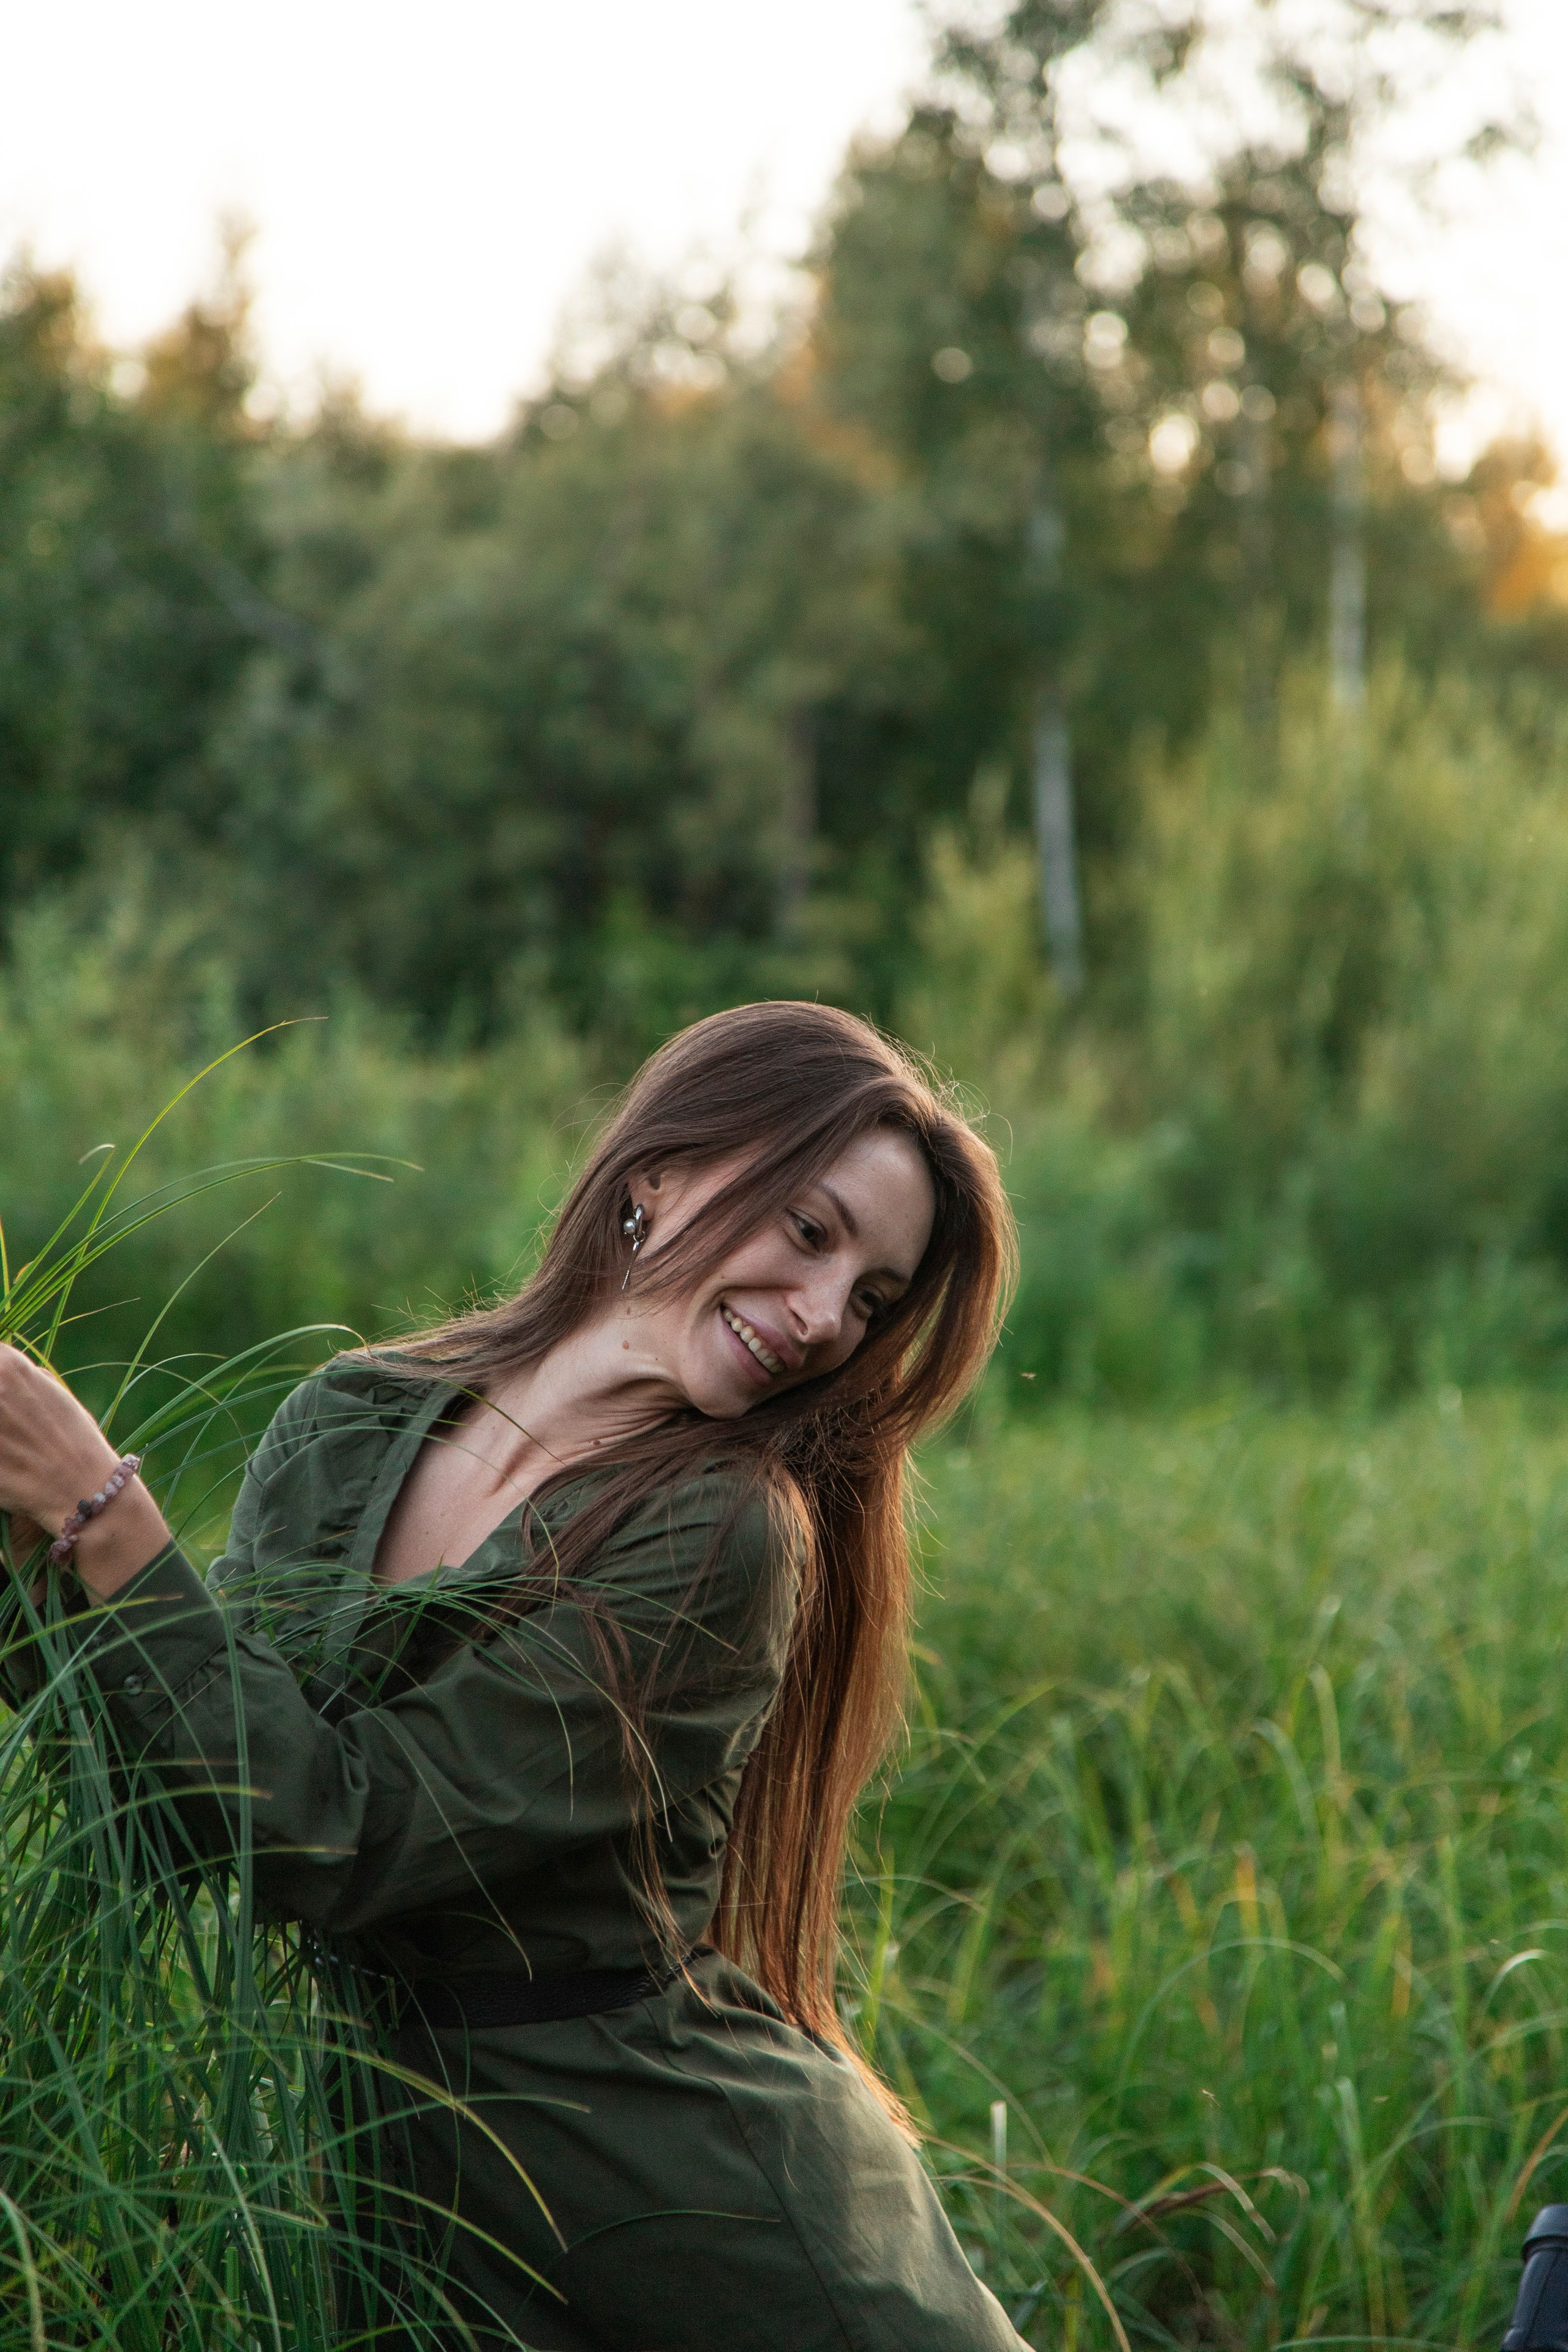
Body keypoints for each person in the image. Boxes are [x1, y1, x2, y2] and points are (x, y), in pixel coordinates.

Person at [0, 1001, 1027, 2351]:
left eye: (872, 1299)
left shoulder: (722, 1533)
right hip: (403, 2177)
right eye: (810, 1232)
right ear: (661, 1172)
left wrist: (107, 1523)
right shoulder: (349, 1419)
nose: (827, 1317)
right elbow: (193, 1803)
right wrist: (25, 1563)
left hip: (687, 2197)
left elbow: (343, 1835)